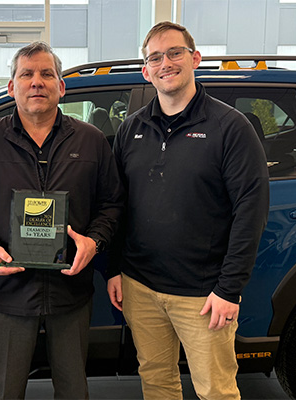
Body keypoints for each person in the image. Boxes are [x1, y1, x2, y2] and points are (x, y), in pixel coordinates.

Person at [0, 41, 122, 399]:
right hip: (10, 294)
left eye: (47, 74)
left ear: (62, 86)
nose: (36, 82)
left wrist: (95, 241)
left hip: (71, 294)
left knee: (74, 391)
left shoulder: (91, 142)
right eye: (26, 74)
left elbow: (113, 204)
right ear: (12, 86)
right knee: (5, 392)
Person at [106, 21, 269, 400]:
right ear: (146, 71)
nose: (166, 63)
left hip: (203, 295)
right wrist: (115, 268)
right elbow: (116, 206)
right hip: (140, 288)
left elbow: (251, 209)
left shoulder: (231, 127)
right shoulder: (131, 130)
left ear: (195, 58)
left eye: (175, 52)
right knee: (157, 382)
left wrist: (229, 289)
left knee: (215, 390)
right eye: (155, 57)